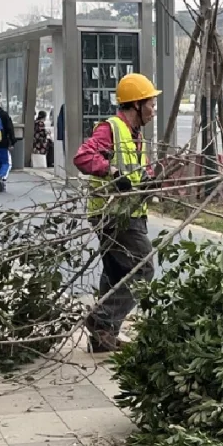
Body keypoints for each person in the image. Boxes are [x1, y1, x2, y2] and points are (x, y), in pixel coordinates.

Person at [73, 72, 160, 353]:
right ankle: (102, 320)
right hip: (114, 214)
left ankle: (103, 337)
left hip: (131, 212)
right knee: (142, 268)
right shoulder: (110, 129)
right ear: (136, 104)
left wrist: (150, 181)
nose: (154, 110)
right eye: (151, 104)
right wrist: (112, 172)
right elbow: (83, 157)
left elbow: (140, 171)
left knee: (116, 271)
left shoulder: (136, 136)